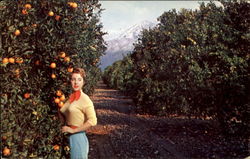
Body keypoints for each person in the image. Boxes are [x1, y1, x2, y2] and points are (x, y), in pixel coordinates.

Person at [59, 68, 97, 159]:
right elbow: (63, 112)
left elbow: (93, 121)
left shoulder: (85, 99)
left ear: (83, 82)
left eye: (79, 79)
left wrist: (73, 130)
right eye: (73, 79)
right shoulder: (71, 98)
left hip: (77, 137)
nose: (76, 82)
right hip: (68, 137)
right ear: (70, 81)